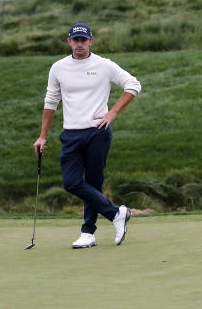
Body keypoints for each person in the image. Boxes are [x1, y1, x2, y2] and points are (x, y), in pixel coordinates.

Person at [33, 22, 141, 248]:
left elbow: (133, 85)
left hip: (97, 132)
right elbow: (51, 101)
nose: (79, 44)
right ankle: (116, 214)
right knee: (71, 182)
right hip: (71, 133)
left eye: (84, 40)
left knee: (93, 182)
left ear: (91, 41)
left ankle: (88, 233)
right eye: (76, 40)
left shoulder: (103, 65)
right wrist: (42, 136)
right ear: (69, 41)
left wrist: (112, 112)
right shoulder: (58, 68)